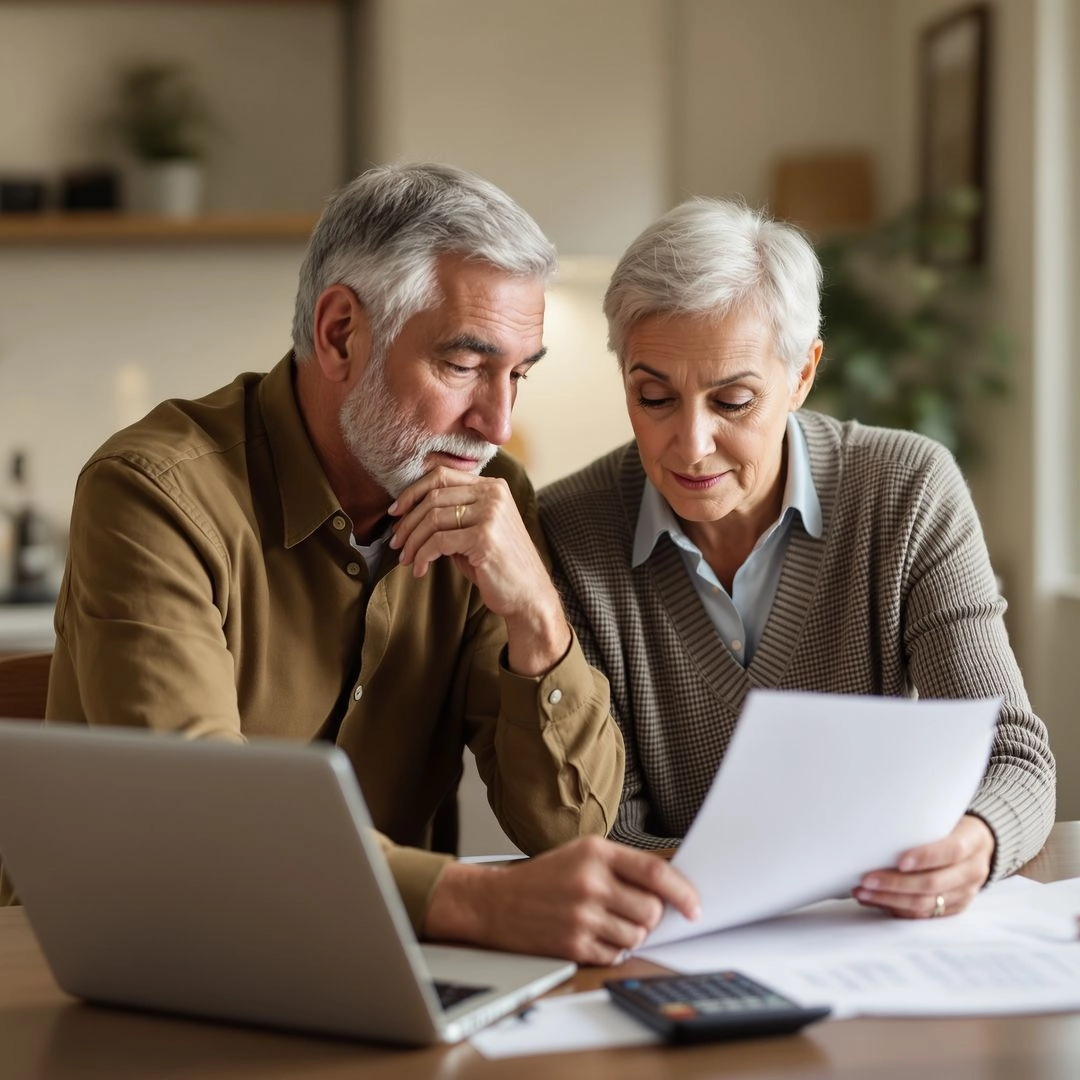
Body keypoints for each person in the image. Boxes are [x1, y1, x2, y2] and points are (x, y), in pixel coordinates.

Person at [21, 164, 698, 963]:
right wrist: (475, 901)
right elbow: (200, 815)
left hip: (380, 962)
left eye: (518, 373)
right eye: (463, 365)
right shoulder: (154, 495)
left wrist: (537, 617)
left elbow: (568, 828)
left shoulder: (492, 496)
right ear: (341, 332)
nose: (497, 421)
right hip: (149, 959)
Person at [538, 196, 1056, 921]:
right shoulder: (569, 527)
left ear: (802, 374)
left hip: (866, 937)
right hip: (674, 944)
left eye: (734, 402)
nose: (690, 444)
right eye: (654, 397)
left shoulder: (906, 490)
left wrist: (977, 841)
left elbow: (1013, 758)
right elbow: (603, 831)